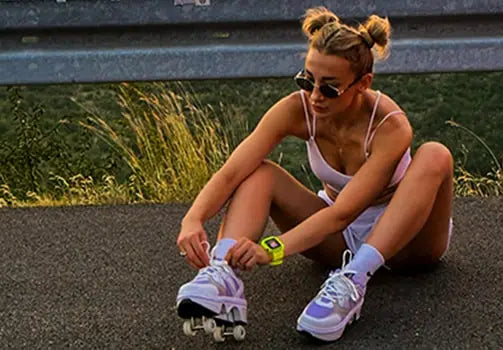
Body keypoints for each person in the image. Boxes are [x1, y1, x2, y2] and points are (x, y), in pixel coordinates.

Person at [175, 6, 455, 343]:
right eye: (307, 80)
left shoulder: (389, 126)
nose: (315, 96)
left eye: (330, 88)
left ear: (363, 84)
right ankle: (222, 272)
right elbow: (232, 172)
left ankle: (353, 279)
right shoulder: (299, 108)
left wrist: (272, 249)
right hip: (337, 241)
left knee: (435, 155)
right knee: (259, 172)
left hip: (408, 244)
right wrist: (192, 220)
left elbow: (342, 213)